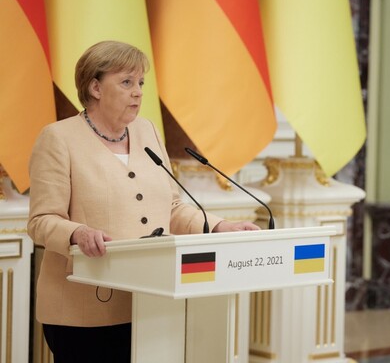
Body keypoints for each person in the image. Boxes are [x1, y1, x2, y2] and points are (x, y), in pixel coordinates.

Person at [27, 40, 260, 363]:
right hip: (84, 311)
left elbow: (172, 208)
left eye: (140, 83)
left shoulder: (147, 131)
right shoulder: (58, 138)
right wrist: (77, 233)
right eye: (126, 82)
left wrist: (220, 227)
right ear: (95, 87)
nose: (137, 92)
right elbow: (41, 221)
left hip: (152, 300)